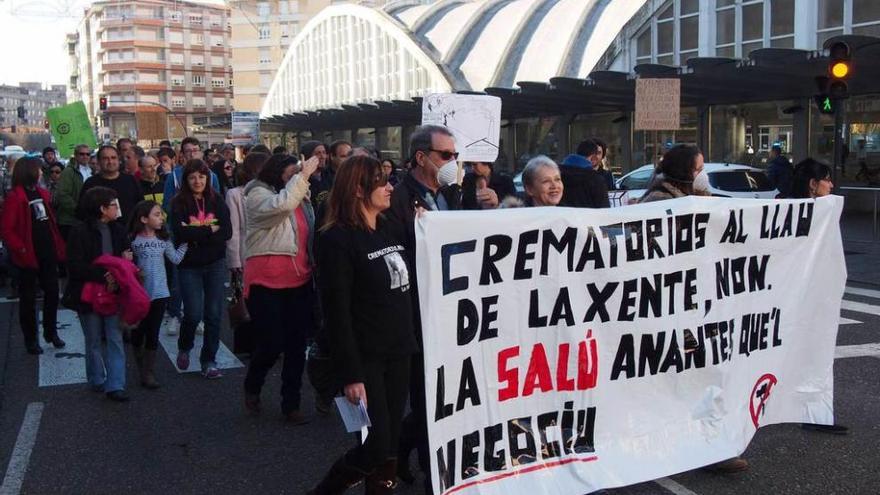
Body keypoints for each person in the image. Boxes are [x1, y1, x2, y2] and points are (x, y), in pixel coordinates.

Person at [309, 155, 418, 494]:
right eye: (381, 182)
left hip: (400, 349)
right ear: (358, 189)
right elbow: (337, 313)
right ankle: (325, 490)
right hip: (366, 356)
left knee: (389, 445)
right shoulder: (335, 239)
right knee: (375, 443)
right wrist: (351, 374)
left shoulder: (389, 226)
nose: (389, 188)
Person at [387, 124, 462, 488]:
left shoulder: (453, 194)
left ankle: (400, 451)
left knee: (446, 394)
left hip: (454, 311)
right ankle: (437, 475)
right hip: (419, 313)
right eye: (445, 156)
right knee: (427, 397)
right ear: (421, 157)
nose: (453, 162)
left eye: (455, 156)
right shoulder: (399, 200)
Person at [242, 153, 320, 423]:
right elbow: (281, 205)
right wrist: (302, 177)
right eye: (289, 175)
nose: (294, 179)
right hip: (265, 281)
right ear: (276, 173)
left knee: (297, 346)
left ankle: (291, 404)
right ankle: (253, 383)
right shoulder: (257, 195)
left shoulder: (300, 195)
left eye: (295, 175)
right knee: (272, 342)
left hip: (299, 279)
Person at [63, 186, 133, 402]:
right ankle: (96, 377)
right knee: (93, 338)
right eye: (113, 205)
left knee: (114, 337)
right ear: (102, 208)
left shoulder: (119, 230)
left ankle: (116, 384)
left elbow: (126, 254)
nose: (117, 209)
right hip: (89, 292)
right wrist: (104, 274)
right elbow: (75, 265)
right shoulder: (79, 231)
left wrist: (126, 262)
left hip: (114, 292)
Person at [170, 159, 232, 379]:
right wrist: (209, 230)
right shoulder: (178, 203)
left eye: (202, 177)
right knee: (194, 313)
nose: (198, 181)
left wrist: (197, 232)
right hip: (189, 265)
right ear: (187, 180)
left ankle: (209, 360)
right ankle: (185, 346)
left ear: (208, 179)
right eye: (193, 177)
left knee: (214, 314)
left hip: (215, 263)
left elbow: (227, 231)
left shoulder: (217, 200)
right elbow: (180, 233)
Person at [0, 157, 67, 354]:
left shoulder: (42, 193)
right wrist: (20, 248)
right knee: (28, 299)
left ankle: (51, 331)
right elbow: (7, 229)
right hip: (28, 253)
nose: (41, 173)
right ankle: (31, 339)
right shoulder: (16, 197)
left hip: (47, 250)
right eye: (38, 170)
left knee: (53, 293)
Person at [129, 200, 187, 389]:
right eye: (156, 214)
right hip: (139, 294)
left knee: (153, 333)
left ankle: (148, 373)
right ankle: (140, 367)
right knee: (138, 333)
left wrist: (186, 242)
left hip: (160, 293)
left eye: (161, 214)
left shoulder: (163, 240)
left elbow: (176, 259)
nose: (161, 217)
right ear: (144, 219)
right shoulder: (133, 240)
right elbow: (126, 267)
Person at [226, 151, 269, 355]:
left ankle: (262, 342)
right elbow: (233, 230)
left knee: (264, 299)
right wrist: (234, 259)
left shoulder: (273, 190)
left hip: (267, 250)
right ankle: (245, 344)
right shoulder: (235, 194)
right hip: (245, 250)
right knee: (244, 298)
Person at [79, 145, 144, 226]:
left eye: (113, 158)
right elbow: (82, 212)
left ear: (119, 160)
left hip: (129, 231)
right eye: (105, 158)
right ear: (99, 162)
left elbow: (141, 206)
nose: (110, 162)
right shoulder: (91, 183)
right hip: (101, 233)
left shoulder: (131, 180)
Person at [638, 145, 706, 203]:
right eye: (698, 169)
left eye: (702, 168)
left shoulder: (697, 196)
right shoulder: (661, 200)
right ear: (682, 173)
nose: (702, 174)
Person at [559, 139, 610, 208]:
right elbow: (604, 209)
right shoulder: (595, 179)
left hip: (562, 217)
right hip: (588, 217)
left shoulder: (557, 175)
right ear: (593, 156)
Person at [56, 144, 93, 239]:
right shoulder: (68, 172)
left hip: (87, 219)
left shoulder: (91, 171)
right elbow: (63, 194)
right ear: (76, 155)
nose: (85, 156)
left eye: (88, 154)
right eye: (82, 154)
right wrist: (77, 210)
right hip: (70, 221)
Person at [303, 140, 331, 206]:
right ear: (308, 157)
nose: (323, 157)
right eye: (318, 153)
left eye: (324, 152)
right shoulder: (302, 181)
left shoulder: (330, 176)